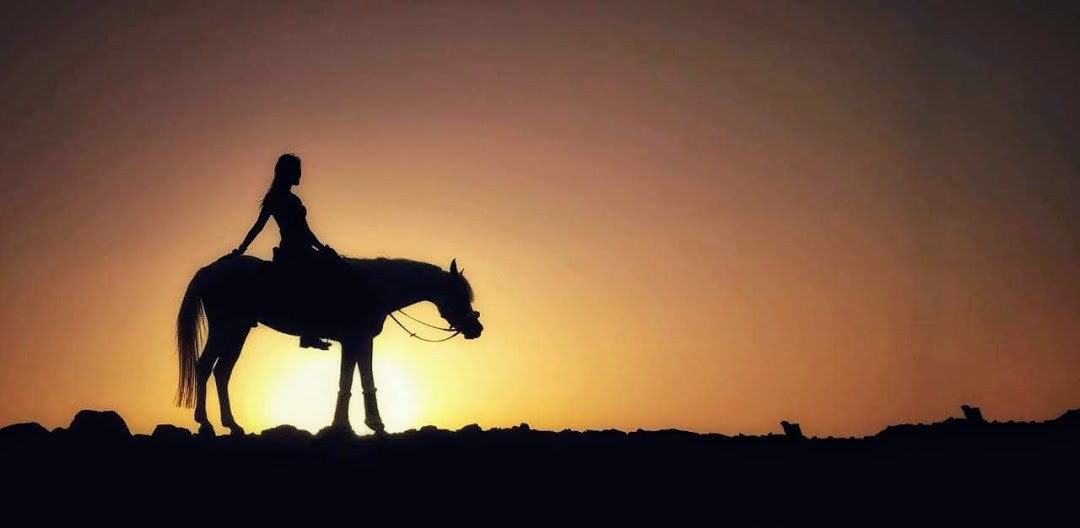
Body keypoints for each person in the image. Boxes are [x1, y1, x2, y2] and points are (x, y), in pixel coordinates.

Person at [232, 153, 336, 350]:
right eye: (297, 171)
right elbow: (259, 226)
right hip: (292, 252)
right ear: (288, 172)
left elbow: (306, 231)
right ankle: (308, 334)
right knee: (314, 283)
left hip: (303, 249)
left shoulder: (292, 198)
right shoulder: (277, 198)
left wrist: (323, 248)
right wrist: (242, 248)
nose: (300, 175)